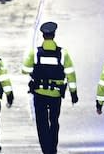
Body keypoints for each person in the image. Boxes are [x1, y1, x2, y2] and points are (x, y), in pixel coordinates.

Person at [22, 21, 78, 154]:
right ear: (54, 35)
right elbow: (70, 73)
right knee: (54, 121)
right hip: (56, 94)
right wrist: (73, 92)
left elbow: (25, 69)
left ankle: (46, 149)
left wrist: (34, 70)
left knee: (41, 123)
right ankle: (53, 148)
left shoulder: (35, 53)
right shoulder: (62, 53)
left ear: (43, 36)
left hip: (39, 92)